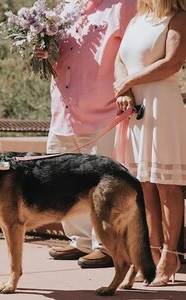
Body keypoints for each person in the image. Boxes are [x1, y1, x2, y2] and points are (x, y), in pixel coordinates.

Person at [36, 0, 136, 268]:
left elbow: (133, 50)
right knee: (63, 181)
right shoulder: (68, 6)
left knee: (102, 185)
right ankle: (79, 241)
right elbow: (61, 53)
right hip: (64, 111)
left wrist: (128, 89)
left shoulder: (124, 5)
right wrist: (43, 53)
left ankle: (106, 245)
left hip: (102, 111)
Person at [113, 0, 186, 285]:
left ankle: (170, 255)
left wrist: (129, 80)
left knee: (167, 184)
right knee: (144, 185)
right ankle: (151, 256)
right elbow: (120, 60)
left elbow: (173, 62)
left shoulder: (178, 17)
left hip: (162, 107)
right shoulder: (135, 21)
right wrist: (126, 90)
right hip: (137, 110)